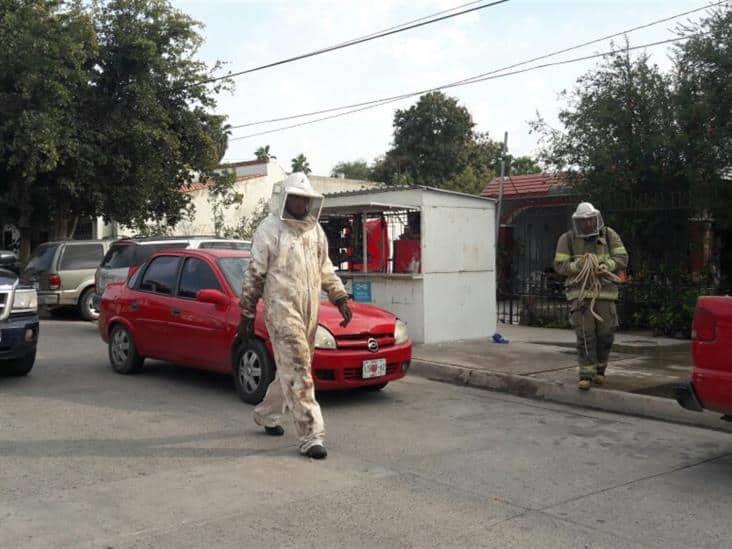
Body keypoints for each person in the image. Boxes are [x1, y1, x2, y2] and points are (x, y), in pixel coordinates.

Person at [238, 172, 352, 459]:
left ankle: (267, 414)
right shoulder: (269, 229)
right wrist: (247, 311)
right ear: (287, 199)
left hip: (309, 309)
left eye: (306, 199)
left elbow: (325, 267)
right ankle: (311, 435)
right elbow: (255, 273)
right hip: (281, 309)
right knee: (300, 369)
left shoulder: (314, 231)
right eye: (297, 198)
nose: (302, 203)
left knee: (293, 368)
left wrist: (339, 297)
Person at [553, 202, 628, 391]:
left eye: (590, 220)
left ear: (596, 219)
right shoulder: (568, 239)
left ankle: (600, 370)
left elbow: (622, 258)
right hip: (580, 296)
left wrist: (608, 266)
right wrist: (578, 266)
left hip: (605, 295)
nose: (587, 224)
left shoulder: (609, 235)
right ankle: (586, 374)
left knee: (606, 334)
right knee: (585, 336)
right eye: (583, 221)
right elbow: (560, 266)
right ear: (578, 222)